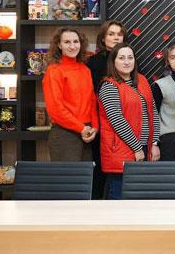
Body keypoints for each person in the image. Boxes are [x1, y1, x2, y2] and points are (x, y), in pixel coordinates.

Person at [97, 43, 160, 199]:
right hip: (122, 150)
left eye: (130, 58)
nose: (126, 62)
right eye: (121, 58)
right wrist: (137, 148)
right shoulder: (109, 86)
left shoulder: (142, 80)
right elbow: (117, 121)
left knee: (139, 198)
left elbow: (153, 112)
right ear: (113, 62)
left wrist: (154, 143)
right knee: (119, 198)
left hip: (145, 147)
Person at [43, 27, 98, 162]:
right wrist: (81, 128)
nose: (72, 46)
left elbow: (92, 101)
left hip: (86, 133)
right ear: (59, 45)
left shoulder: (85, 70)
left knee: (85, 175)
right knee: (69, 176)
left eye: (75, 41)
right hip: (65, 134)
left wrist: (95, 127)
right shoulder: (54, 71)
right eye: (67, 42)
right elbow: (56, 109)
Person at [85, 20, 127, 197]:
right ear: (103, 38)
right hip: (101, 125)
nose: (116, 37)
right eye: (111, 34)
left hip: (124, 124)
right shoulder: (93, 62)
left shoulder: (127, 59)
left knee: (120, 173)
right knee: (100, 171)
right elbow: (90, 96)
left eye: (119, 34)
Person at [152, 43, 175, 161]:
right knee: (173, 172)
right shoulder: (159, 85)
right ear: (167, 62)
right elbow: (153, 114)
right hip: (169, 138)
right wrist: (154, 143)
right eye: (172, 58)